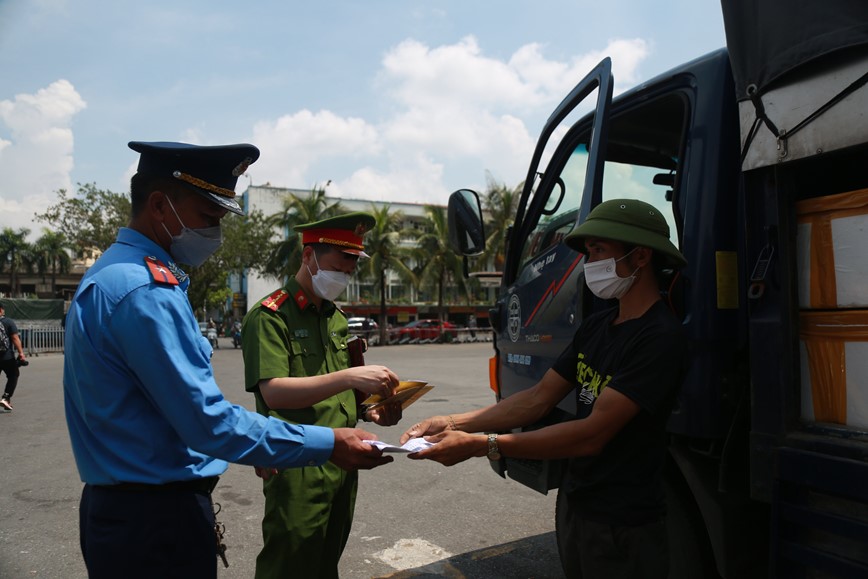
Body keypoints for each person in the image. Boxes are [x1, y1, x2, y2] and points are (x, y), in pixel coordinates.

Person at [63, 141, 393, 579]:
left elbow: (163, 411)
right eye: (208, 218)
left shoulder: (115, 274)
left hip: (136, 510)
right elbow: (208, 421)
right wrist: (330, 443)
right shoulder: (145, 291)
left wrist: (251, 443)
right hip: (154, 519)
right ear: (160, 205)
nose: (216, 235)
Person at [400, 199, 688, 579]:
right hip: (578, 504)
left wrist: (484, 445)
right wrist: (451, 422)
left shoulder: (659, 337)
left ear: (640, 257)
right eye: (588, 254)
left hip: (625, 522)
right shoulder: (598, 326)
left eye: (599, 251)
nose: (589, 264)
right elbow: (536, 400)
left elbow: (591, 435)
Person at [241, 211, 403, 579]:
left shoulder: (335, 318)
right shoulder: (270, 317)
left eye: (350, 270)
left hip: (343, 458)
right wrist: (348, 376)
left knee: (326, 561)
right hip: (297, 460)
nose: (344, 277)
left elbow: (338, 394)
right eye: (338, 266)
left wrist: (371, 411)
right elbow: (275, 392)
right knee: (290, 564)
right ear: (308, 257)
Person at [0, 302, 26, 412]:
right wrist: (21, 353)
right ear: (1, 310)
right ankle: (6, 397)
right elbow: (15, 338)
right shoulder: (8, 322)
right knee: (13, 375)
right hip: (6, 357)